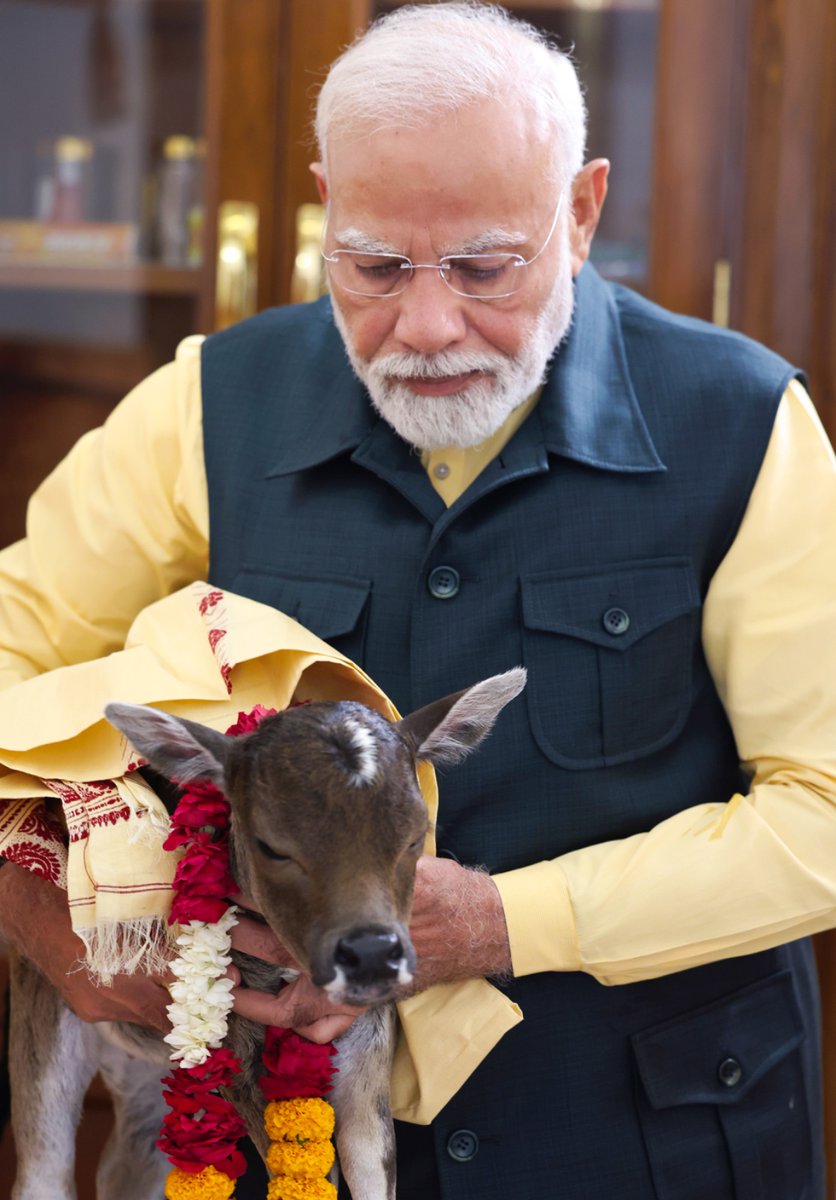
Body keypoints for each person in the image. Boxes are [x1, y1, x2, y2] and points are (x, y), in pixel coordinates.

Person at [0, 3, 834, 1197]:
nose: (427, 327)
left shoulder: (741, 423)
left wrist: (504, 922)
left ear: (580, 212)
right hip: (271, 1144)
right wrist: (46, 920)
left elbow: (821, 814)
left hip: (651, 1142)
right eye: (374, 266)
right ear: (323, 208)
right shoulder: (206, 404)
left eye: (485, 267)